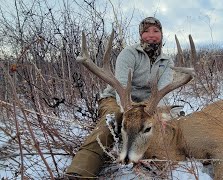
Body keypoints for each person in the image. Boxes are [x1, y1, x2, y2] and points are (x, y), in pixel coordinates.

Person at [65, 17, 174, 179]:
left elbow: (163, 92)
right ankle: (80, 171)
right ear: (140, 35)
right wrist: (128, 110)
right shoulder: (129, 54)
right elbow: (121, 88)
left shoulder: (166, 61)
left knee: (168, 123)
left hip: (147, 106)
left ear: (161, 34)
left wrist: (158, 113)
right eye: (146, 31)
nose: (151, 35)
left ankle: (152, 161)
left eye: (156, 31)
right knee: (113, 119)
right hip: (118, 100)